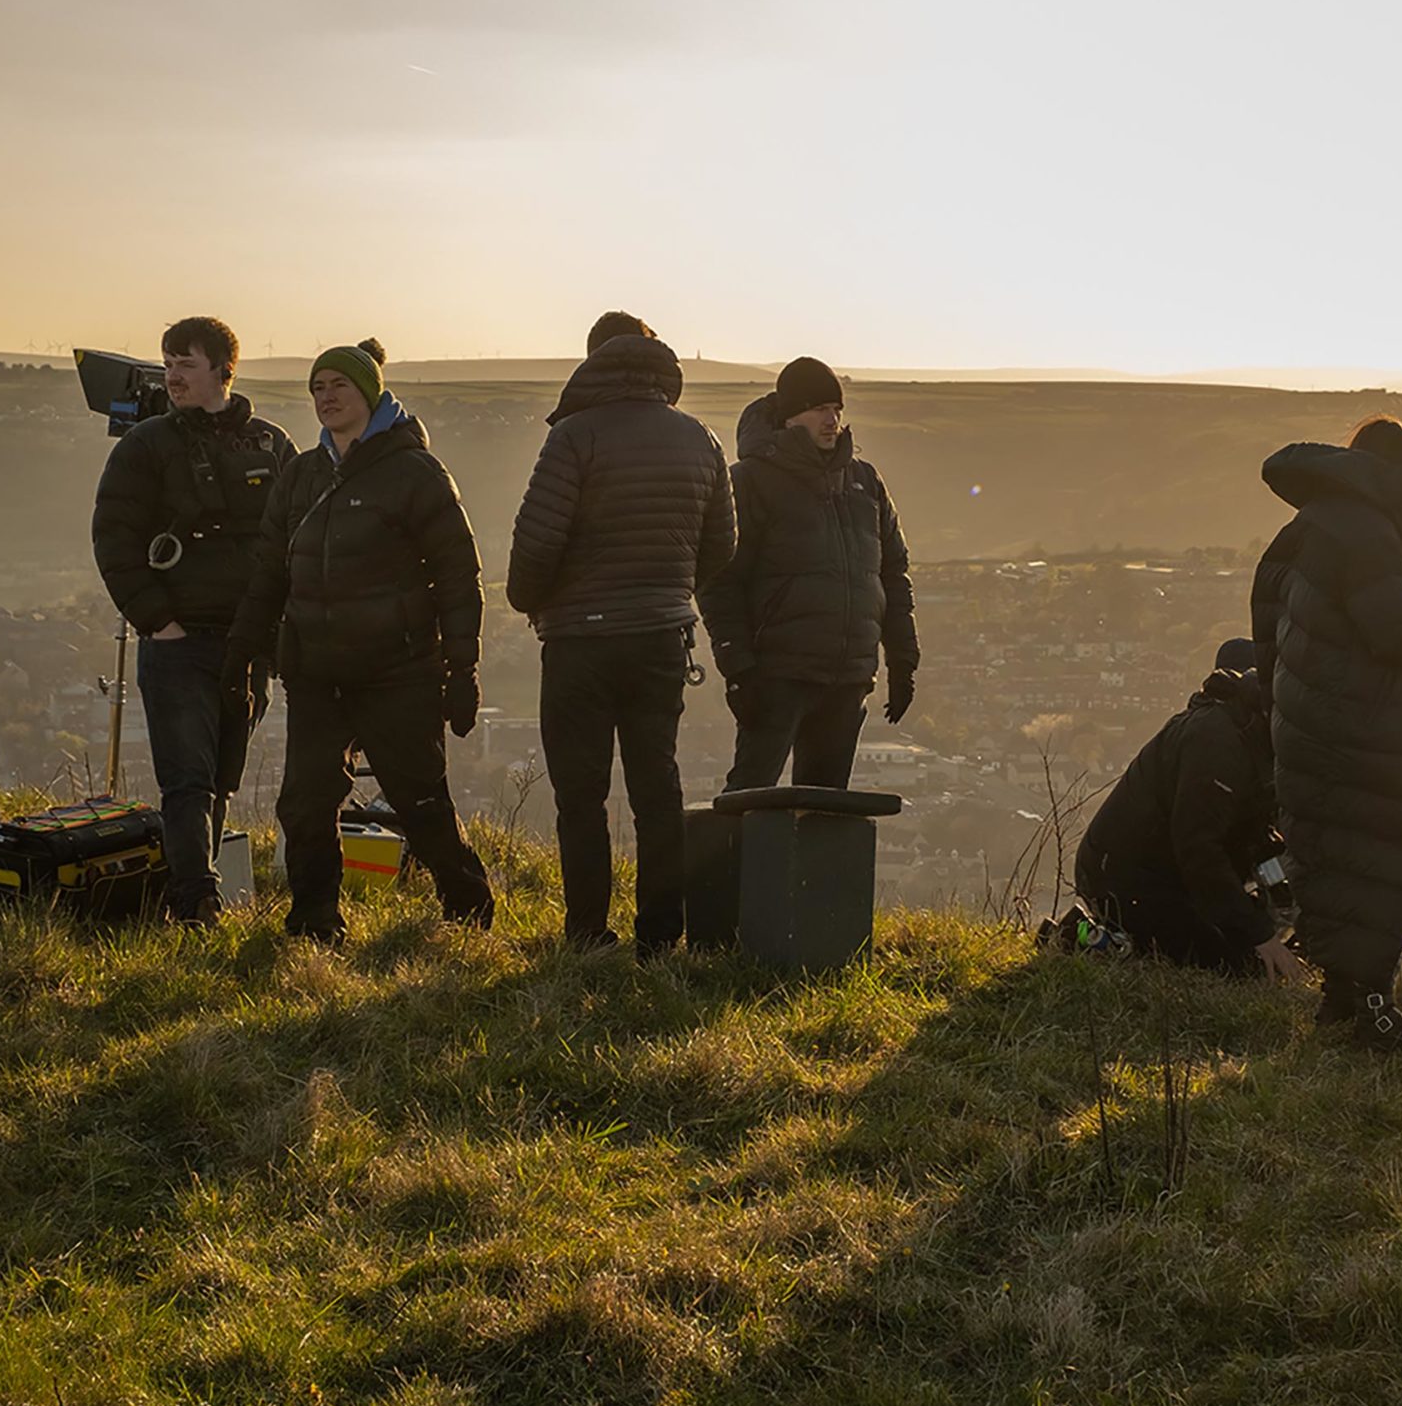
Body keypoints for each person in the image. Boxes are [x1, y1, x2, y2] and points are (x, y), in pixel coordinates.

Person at [227, 340, 495, 940]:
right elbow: (270, 570)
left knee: (419, 800)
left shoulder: (414, 471)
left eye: (338, 385)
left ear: (369, 393)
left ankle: (468, 908)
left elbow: (458, 574)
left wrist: (463, 668)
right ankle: (315, 923)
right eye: (317, 386)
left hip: (397, 670)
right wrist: (242, 652)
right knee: (303, 804)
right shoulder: (301, 475)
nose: (326, 396)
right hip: (317, 671)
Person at [506, 312, 735, 955]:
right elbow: (723, 546)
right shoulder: (701, 439)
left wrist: (534, 600)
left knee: (581, 796)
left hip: (579, 642)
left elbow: (536, 544)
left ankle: (587, 934)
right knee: (656, 789)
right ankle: (662, 936)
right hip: (660, 637)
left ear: (593, 362)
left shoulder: (574, 437)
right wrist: (669, 591)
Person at [1252, 417, 1402, 1049]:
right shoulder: (1367, 532)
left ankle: (1344, 1004)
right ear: (1400, 477)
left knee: (1334, 861)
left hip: (1304, 727)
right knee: (1388, 854)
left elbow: (1268, 631)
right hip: (1363, 728)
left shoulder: (1302, 529)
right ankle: (1371, 1011)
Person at [90, 316, 297, 926]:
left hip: (248, 641)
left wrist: (277, 634)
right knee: (187, 779)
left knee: (222, 778)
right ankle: (195, 902)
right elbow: (114, 539)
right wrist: (157, 622)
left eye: (186, 363)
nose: (172, 375)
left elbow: (294, 538)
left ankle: (198, 892)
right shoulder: (147, 445)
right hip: (178, 639)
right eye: (167, 362)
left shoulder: (270, 444)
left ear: (222, 371)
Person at [699, 357, 919, 790]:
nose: (832, 420)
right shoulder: (749, 482)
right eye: (819, 409)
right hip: (777, 675)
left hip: (848, 678)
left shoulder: (864, 482)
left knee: (825, 810)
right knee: (749, 796)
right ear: (790, 415)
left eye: (836, 409)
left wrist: (903, 664)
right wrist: (740, 670)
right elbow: (720, 581)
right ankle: (723, 860)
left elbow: (893, 576)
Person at [1073, 638, 1299, 978]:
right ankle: (1080, 940)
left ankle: (1125, 942)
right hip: (1125, 878)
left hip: (1168, 877)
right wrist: (1260, 935)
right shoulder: (1217, 742)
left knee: (1245, 952)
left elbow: (1241, 832)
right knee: (1237, 970)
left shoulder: (1251, 738)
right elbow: (1199, 847)